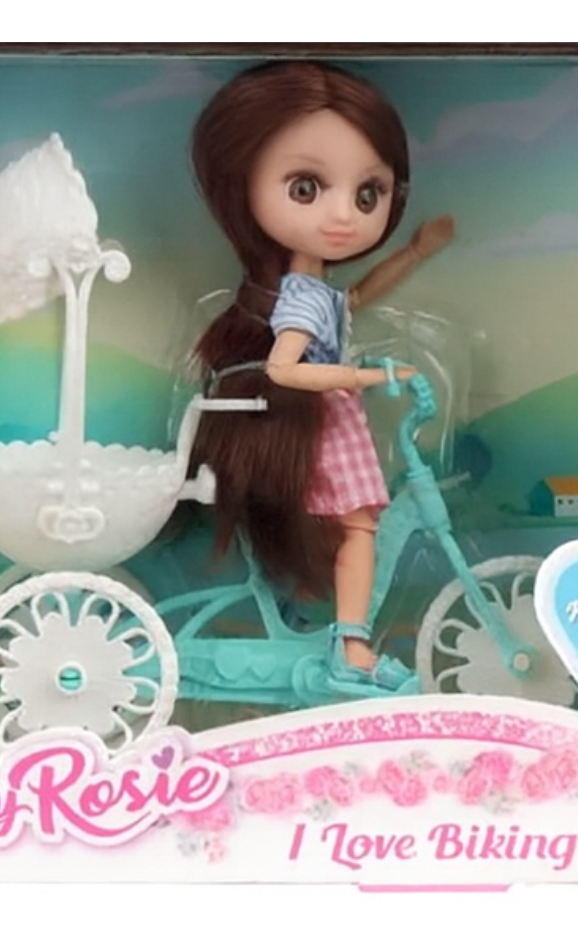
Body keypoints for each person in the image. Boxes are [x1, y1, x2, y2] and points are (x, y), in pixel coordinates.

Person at [190, 60, 454, 689]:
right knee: (358, 527)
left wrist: (414, 252)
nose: (345, 216)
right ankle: (352, 648)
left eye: (368, 194)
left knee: (353, 527)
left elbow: (353, 299)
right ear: (241, 183)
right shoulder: (299, 300)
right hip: (319, 420)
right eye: (306, 187)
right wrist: (360, 378)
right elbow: (283, 369)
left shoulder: (311, 289)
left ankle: (340, 637)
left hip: (327, 418)